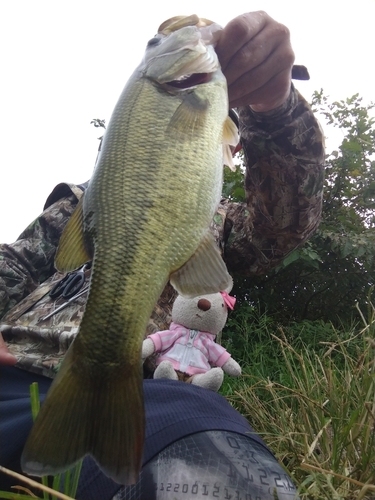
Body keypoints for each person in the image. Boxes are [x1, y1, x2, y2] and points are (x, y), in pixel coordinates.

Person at [0, 11, 324, 500]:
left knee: (213, 458)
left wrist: (275, 104)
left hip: (147, 395)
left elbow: (286, 224)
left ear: (225, 147)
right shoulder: (78, 203)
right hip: (13, 362)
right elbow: (14, 264)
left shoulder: (226, 227)